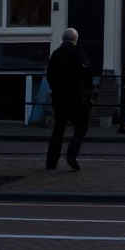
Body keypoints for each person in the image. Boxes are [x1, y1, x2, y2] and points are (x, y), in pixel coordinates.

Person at [45, 28, 93, 171]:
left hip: (59, 96)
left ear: (63, 39)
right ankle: (71, 155)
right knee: (81, 125)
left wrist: (55, 90)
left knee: (59, 126)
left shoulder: (55, 54)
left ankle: (51, 161)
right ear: (75, 40)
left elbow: (49, 75)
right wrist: (86, 92)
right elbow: (87, 76)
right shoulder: (80, 55)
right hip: (75, 96)